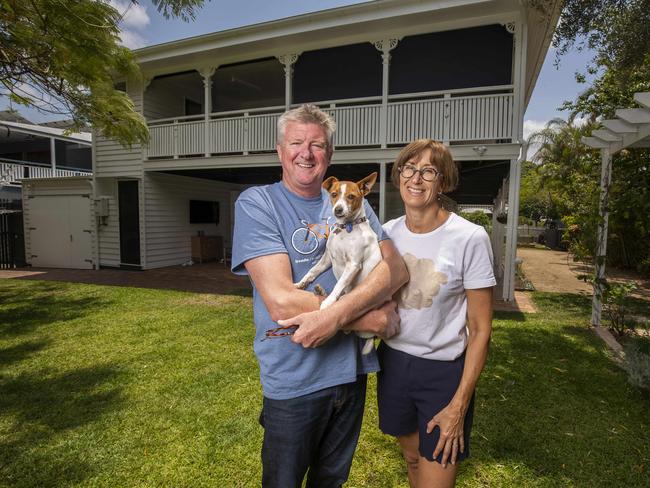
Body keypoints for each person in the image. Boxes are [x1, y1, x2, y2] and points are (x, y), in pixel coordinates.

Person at [231, 104, 408, 488]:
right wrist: (369, 319)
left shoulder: (355, 203)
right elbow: (281, 299)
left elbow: (396, 269)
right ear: (280, 151)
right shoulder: (258, 203)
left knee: (331, 482)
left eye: (317, 145)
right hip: (294, 377)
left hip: (350, 375)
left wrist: (334, 315)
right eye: (296, 143)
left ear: (329, 155)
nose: (306, 153)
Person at [378, 139, 495, 488]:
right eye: (409, 169)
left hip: (443, 374)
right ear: (399, 177)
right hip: (394, 365)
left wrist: (459, 404)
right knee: (413, 460)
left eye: (429, 170)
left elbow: (481, 328)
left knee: (437, 475)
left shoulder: (470, 237)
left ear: (443, 181)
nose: (416, 178)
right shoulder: (387, 232)